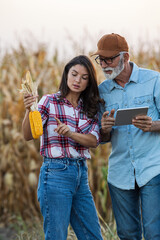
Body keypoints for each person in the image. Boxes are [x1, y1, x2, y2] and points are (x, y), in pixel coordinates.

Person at [22, 55, 104, 240]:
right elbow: (28, 135)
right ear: (66, 74)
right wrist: (28, 110)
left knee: (92, 236)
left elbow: (93, 141)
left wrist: (70, 134)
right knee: (56, 235)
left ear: (89, 82)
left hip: (81, 175)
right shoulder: (49, 102)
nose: (77, 80)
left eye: (84, 78)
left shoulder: (89, 107)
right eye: (74, 74)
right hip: (55, 174)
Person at [91, 33, 160, 240]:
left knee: (154, 232)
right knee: (128, 234)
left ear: (126, 57)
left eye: (109, 59)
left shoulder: (154, 80)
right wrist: (104, 129)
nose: (104, 64)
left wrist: (153, 125)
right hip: (120, 173)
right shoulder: (101, 92)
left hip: (152, 168)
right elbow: (101, 138)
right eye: (100, 59)